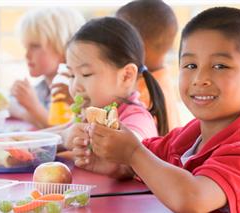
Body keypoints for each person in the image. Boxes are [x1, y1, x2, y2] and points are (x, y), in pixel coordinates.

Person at [73, 7, 240, 212]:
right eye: (190, 66)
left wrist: (132, 153)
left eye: (220, 66)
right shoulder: (188, 137)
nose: (200, 79)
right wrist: (116, 164)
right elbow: (148, 160)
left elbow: (192, 199)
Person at [62, 17, 168, 164]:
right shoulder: (94, 114)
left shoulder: (137, 119)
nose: (75, 86)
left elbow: (133, 152)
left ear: (126, 76)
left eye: (86, 74)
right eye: (71, 75)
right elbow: (57, 134)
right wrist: (63, 137)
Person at [9, 7, 85, 129]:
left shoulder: (72, 90)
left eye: (35, 46)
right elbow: (12, 106)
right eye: (25, 47)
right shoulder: (42, 88)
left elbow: (66, 133)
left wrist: (33, 107)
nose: (27, 55)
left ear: (63, 48)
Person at [116, 0, 181, 130]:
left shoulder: (143, 94)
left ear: (138, 44)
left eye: (118, 38)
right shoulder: (159, 79)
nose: (112, 44)